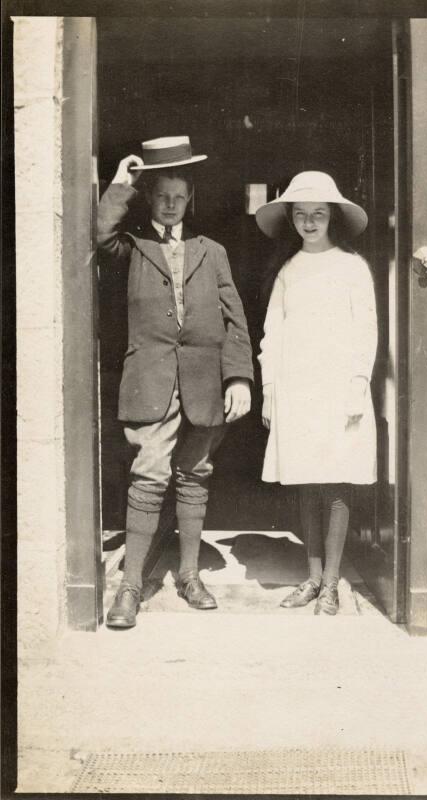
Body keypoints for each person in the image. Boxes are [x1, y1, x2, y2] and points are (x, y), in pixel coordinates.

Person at [98, 136, 253, 628]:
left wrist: (239, 378)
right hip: (153, 380)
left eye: (178, 196)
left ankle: (190, 575)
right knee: (149, 475)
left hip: (206, 383)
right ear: (151, 197)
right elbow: (98, 233)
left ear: (190, 199)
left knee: (195, 474)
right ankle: (129, 588)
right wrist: (121, 184)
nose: (170, 203)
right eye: (161, 194)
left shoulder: (213, 252)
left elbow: (236, 321)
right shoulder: (133, 247)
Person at [256, 171, 377, 615]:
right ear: (292, 219)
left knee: (336, 479)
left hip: (339, 388)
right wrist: (270, 389)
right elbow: (273, 334)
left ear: (332, 218)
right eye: (302, 215)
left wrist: (357, 383)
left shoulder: (351, 267)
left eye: (319, 214)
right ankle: (312, 577)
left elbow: (366, 330)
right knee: (306, 481)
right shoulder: (288, 271)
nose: (310, 223)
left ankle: (331, 581)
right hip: (298, 389)